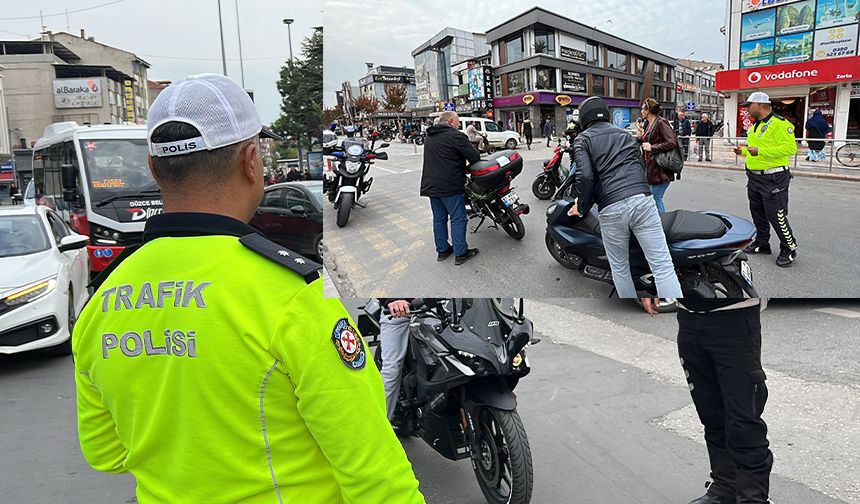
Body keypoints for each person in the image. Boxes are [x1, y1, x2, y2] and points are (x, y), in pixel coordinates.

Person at [73, 73, 425, 504]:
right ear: (251, 160)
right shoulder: (293, 295)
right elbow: (376, 476)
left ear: (153, 167)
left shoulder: (102, 301)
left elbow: (106, 453)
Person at [644, 297, 773, 504]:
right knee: (711, 414)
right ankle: (725, 488)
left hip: (734, 316)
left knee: (743, 420)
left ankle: (754, 498)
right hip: (688, 317)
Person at [568, 96, 682, 299]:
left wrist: (582, 206)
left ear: (584, 118)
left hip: (611, 207)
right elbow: (639, 166)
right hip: (643, 200)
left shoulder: (583, 140)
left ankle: (628, 307)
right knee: (662, 264)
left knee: (620, 267)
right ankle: (673, 304)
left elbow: (585, 176)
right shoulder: (626, 136)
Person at [733, 92, 798, 268]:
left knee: (777, 215)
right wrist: (743, 152)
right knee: (758, 212)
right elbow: (754, 149)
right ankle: (762, 243)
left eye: (749, 105)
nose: (747, 109)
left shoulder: (780, 124)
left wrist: (760, 151)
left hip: (774, 178)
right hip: (754, 177)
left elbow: (790, 148)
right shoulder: (755, 126)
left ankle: (789, 248)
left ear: (760, 105)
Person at [419, 110, 481, 266]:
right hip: (450, 185)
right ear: (451, 121)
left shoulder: (430, 136)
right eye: (458, 121)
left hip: (431, 185)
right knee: (458, 218)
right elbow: (474, 156)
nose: (459, 124)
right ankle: (461, 253)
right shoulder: (455, 135)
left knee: (439, 219)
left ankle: (443, 250)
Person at [637, 98, 678, 215]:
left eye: (643, 109)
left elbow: (671, 142)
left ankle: (661, 224)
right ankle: (656, 223)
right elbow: (647, 141)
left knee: (656, 199)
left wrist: (652, 147)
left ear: (648, 110)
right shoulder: (649, 124)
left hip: (660, 169)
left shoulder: (661, 122)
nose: (641, 111)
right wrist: (640, 137)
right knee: (652, 199)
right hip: (651, 168)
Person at [378, 298, 413, 420]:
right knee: (392, 368)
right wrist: (394, 299)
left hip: (440, 310)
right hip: (398, 313)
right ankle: (379, 427)